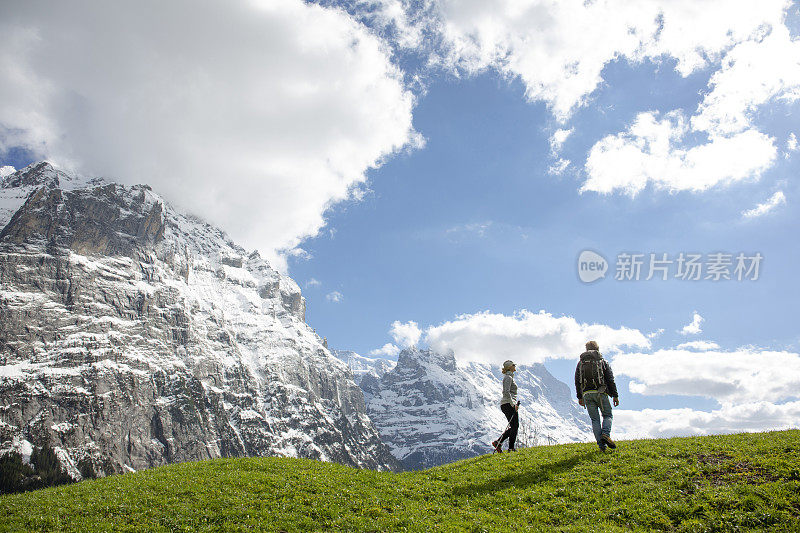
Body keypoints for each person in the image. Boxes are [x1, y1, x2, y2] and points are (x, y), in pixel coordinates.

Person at [574, 341, 619, 452]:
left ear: (586, 349)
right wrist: (615, 395)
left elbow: (577, 381)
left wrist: (580, 397)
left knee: (595, 420)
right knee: (607, 415)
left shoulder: (580, 363)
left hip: (587, 394)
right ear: (597, 349)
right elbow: (610, 379)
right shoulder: (602, 361)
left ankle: (601, 446)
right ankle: (606, 435)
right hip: (601, 392)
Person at [492, 360, 520, 453]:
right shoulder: (508, 377)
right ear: (509, 367)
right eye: (513, 365)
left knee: (513, 426)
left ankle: (499, 442)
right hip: (508, 404)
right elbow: (506, 392)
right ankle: (510, 448)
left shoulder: (509, 377)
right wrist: (513, 405)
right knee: (515, 426)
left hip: (507, 404)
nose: (514, 366)